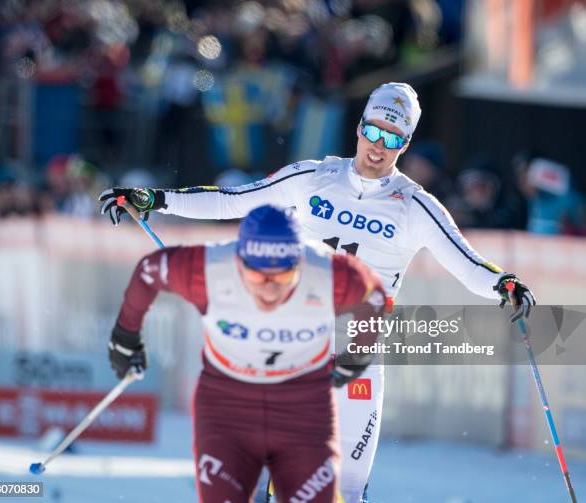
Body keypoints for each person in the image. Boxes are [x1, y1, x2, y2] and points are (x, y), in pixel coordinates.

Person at [100, 82, 536, 502]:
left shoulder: (416, 205)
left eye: (392, 137)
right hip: (291, 342)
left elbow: (467, 263)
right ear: (359, 127)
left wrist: (504, 284)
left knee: (345, 490)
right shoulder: (314, 176)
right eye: (372, 131)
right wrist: (154, 199)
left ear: (405, 143)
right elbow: (233, 200)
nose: (378, 145)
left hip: (358, 355)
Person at [107, 204, 386, 503]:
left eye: (281, 278)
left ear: (299, 263)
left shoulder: (327, 272)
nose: (268, 290)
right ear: (239, 261)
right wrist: (126, 336)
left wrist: (357, 355)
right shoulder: (210, 267)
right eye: (256, 277)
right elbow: (148, 272)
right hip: (228, 410)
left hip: (303, 409)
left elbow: (375, 297)